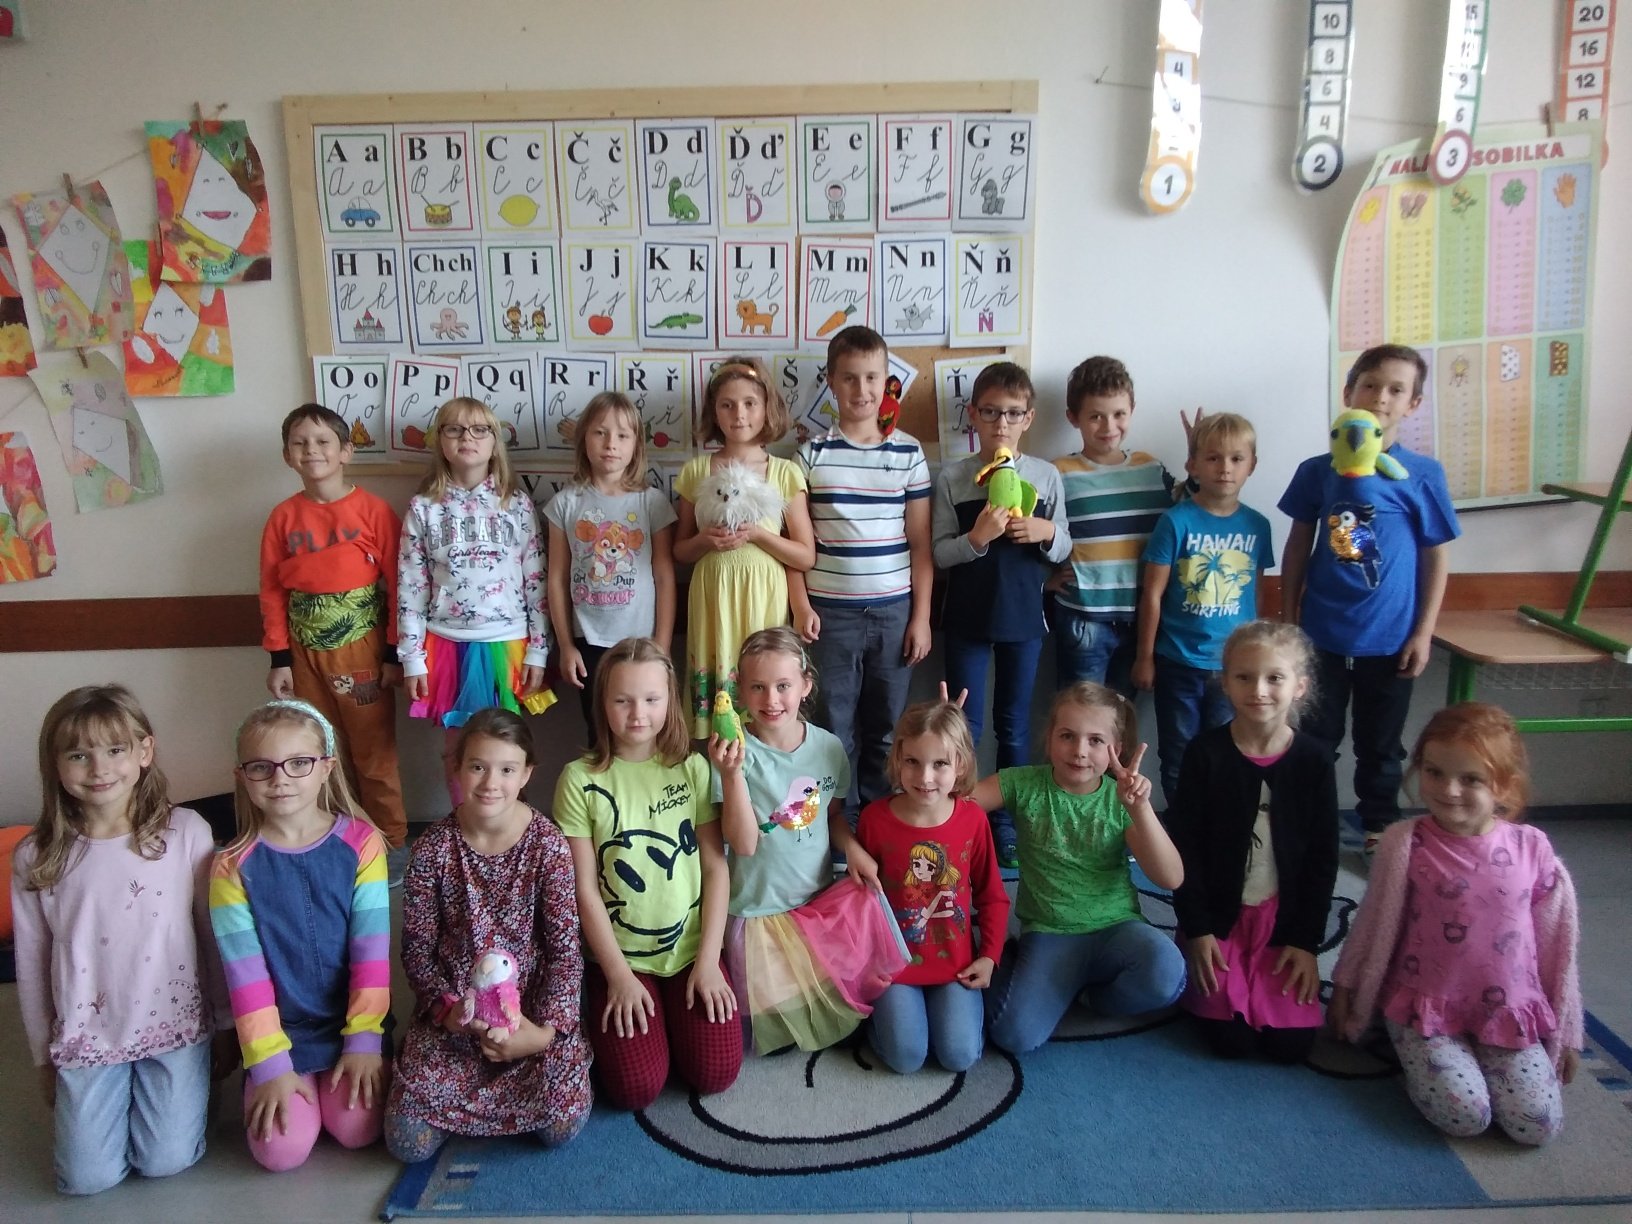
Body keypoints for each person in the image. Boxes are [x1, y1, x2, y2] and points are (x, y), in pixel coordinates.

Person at [1330, 704, 1581, 1145]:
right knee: (1466, 1115)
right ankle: (1417, 1059)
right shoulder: (1405, 843)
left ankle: (1480, 1059)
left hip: (1507, 1011)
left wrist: (1568, 1029)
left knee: (1537, 1125)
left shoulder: (1533, 849)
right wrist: (1346, 988)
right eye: (1434, 772)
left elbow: (1558, 947)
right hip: (1425, 1009)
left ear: (1504, 784)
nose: (1448, 790)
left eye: (1471, 779)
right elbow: (1372, 923)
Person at [12, 685, 227, 1195]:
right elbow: (31, 962)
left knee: (165, 1160)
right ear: (55, 765)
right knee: (86, 1178)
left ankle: (188, 1096)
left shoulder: (186, 832)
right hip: (88, 1036)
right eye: (78, 755)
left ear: (144, 751)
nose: (99, 768)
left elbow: (210, 932)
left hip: (175, 1029)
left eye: (115, 750)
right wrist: (44, 1057)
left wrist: (224, 1023)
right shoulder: (36, 855)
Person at [385, 708, 592, 1161]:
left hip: (528, 1012)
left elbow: (565, 953)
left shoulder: (549, 846)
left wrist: (541, 1034)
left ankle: (511, 1086)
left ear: (527, 774)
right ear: (457, 768)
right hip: (456, 1015)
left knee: (562, 1124)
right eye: (477, 766)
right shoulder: (433, 849)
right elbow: (417, 952)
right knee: (407, 1141)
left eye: (506, 770)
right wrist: (447, 1012)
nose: (490, 783)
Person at [1278, 344, 1460, 856]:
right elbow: (1297, 545)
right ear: (1349, 393)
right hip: (1321, 635)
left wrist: (1423, 633)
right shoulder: (1317, 471)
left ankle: (1379, 824)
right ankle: (1309, 823)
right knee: (1315, 738)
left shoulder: (1422, 474)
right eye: (1371, 385)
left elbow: (1436, 556)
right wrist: (1289, 620)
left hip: (1391, 637)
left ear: (1413, 404)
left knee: (1381, 745)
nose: (1381, 396)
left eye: (1396, 389)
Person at [553, 637, 743, 1107]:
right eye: (623, 700)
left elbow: (715, 866)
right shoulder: (579, 779)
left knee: (716, 1074)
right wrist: (618, 975)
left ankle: (673, 1018)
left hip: (691, 950)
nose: (638, 714)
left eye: (651, 699)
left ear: (669, 701)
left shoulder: (693, 768)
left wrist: (709, 961)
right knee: (635, 1089)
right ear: (603, 703)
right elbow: (583, 890)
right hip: (621, 958)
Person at [707, 627, 906, 1054]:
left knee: (870, 916)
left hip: (817, 906)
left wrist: (852, 849)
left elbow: (831, 815)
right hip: (759, 912)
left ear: (805, 686)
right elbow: (743, 845)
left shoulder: (828, 748)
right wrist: (732, 775)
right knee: (777, 1034)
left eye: (783, 686)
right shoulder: (733, 753)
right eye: (758, 687)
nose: (771, 699)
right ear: (740, 689)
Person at [211, 700, 391, 1170]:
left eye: (298, 763)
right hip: (280, 1034)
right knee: (282, 1152)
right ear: (241, 776)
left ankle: (340, 1073)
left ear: (326, 768)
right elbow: (244, 975)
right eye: (261, 767)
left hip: (349, 1025)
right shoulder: (231, 866)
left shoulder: (362, 843)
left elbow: (370, 954)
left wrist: (364, 1042)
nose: (280, 779)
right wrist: (269, 1065)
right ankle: (282, 1081)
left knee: (357, 1129)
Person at [975, 683, 1186, 1054]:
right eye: (1067, 736)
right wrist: (949, 745)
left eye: (1095, 741)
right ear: (1049, 738)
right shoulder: (1022, 783)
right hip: (1048, 933)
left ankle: (1091, 998)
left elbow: (1170, 877)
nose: (1079, 751)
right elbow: (956, 805)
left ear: (1116, 749)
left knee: (1167, 973)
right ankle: (1016, 961)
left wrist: (1140, 808)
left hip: (1116, 928)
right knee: (1013, 1035)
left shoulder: (1120, 799)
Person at [1167, 622, 1338, 1063]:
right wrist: (1198, 930)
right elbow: (1184, 850)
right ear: (1225, 682)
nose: (1259, 690)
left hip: (1280, 922)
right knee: (1231, 1041)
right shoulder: (1205, 753)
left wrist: (1305, 943)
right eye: (1244, 677)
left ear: (1299, 686)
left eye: (1274, 678)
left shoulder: (1315, 761)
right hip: (1218, 921)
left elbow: (1322, 860)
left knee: (1290, 1047)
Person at [790, 326, 933, 822]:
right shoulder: (810, 455)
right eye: (849, 378)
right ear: (831, 381)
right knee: (832, 729)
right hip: (830, 615)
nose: (861, 389)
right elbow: (795, 547)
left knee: (887, 730)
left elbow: (921, 544)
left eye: (872, 377)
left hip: (894, 613)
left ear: (887, 381)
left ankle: (876, 824)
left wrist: (921, 618)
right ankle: (837, 830)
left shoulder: (909, 453)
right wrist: (801, 606)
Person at [932, 361, 1070, 867]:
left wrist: (1047, 533)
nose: (1002, 423)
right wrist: (976, 539)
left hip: (1024, 621)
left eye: (1013, 413)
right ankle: (959, 817)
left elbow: (1065, 545)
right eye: (990, 412)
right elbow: (939, 552)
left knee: (1013, 726)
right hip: (966, 619)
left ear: (1029, 418)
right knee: (963, 726)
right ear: (973, 415)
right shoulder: (954, 476)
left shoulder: (1046, 476)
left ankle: (1008, 823)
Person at [258, 404, 407, 858]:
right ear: (287, 455)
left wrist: (393, 653)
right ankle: (333, 840)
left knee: (372, 752)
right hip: (303, 654)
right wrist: (279, 658)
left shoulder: (374, 511)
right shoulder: (282, 517)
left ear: (346, 451)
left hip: (361, 650)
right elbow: (271, 591)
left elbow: (401, 585)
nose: (311, 450)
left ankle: (390, 844)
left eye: (323, 441)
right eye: (300, 443)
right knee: (318, 751)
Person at [398, 396, 556, 791]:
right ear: (440, 441)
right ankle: (464, 820)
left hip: (507, 644)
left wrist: (539, 650)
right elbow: (411, 587)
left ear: (494, 442)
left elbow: (537, 582)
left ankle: (508, 822)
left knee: (507, 747)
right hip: (447, 645)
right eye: (454, 429)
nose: (466, 437)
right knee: (460, 748)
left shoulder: (516, 505)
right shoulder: (424, 508)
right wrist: (412, 658)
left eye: (479, 429)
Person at [858, 700, 1010, 1073]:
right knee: (906, 1058)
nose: (925, 777)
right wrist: (866, 965)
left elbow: (992, 895)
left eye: (939, 764)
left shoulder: (972, 819)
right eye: (913, 761)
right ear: (898, 759)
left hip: (956, 965)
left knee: (959, 1056)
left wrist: (989, 956)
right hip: (893, 964)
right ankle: (870, 1023)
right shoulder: (874, 820)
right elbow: (861, 903)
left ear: (961, 765)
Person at [1133, 412, 1275, 805]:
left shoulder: (1257, 526)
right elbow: (1153, 595)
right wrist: (1145, 657)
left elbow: (1256, 596)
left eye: (1236, 459)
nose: (1225, 468)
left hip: (1235, 666)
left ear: (1252, 465)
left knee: (1228, 750)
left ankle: (1221, 826)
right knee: (1178, 753)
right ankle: (1183, 828)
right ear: (1193, 465)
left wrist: (1259, 655)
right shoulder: (1175, 522)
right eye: (1213, 458)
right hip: (1178, 662)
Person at [675, 357, 815, 739]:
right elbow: (679, 552)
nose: (739, 414)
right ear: (714, 412)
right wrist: (704, 540)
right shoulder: (696, 471)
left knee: (764, 692)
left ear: (767, 408)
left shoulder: (785, 472)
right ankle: (719, 773)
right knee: (719, 713)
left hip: (763, 598)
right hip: (713, 599)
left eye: (750, 403)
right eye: (727, 404)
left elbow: (805, 555)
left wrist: (758, 535)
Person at [542, 390, 677, 744]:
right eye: (600, 433)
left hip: (642, 642)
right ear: (583, 438)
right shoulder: (564, 504)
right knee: (600, 732)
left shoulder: (651, 502)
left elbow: (664, 576)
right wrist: (565, 645)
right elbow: (556, 578)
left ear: (636, 445)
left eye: (622, 435)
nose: (610, 444)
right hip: (588, 642)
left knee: (645, 731)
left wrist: (662, 645)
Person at [1050, 356, 1177, 694]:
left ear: (1132, 411)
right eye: (1096, 416)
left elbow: (1189, 513)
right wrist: (1043, 581)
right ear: (1073, 418)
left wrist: (1196, 463)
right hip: (1084, 617)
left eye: (1119, 414)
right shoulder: (1059, 473)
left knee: (1123, 714)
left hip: (1141, 619)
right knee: (1079, 713)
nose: (1109, 427)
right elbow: (1032, 531)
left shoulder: (1151, 468)